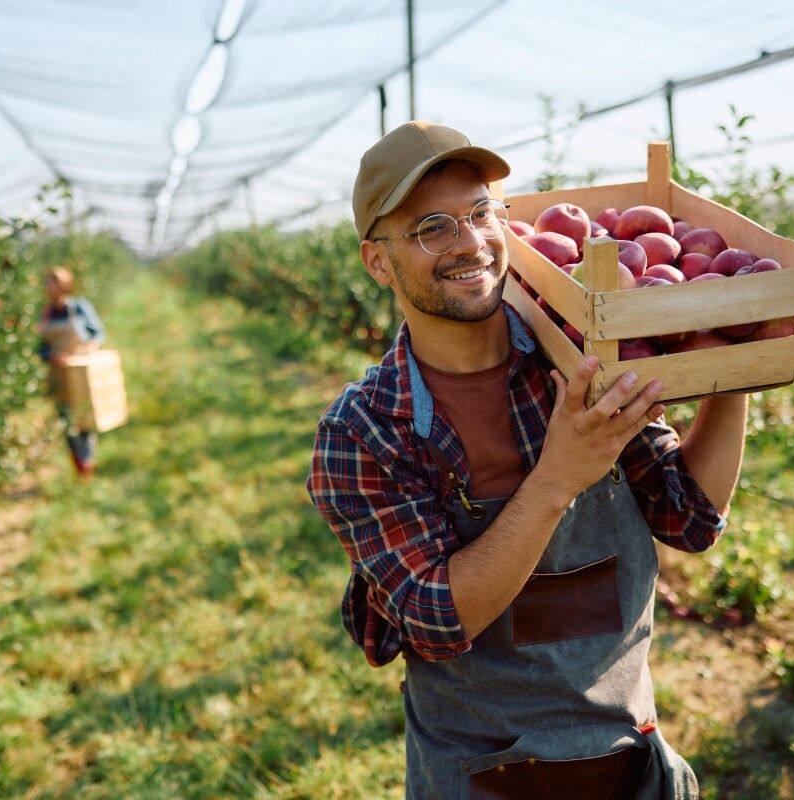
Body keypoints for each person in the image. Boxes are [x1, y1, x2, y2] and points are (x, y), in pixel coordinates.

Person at [306, 121, 748, 799]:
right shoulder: (364, 430)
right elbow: (436, 617)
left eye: (482, 214)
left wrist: (736, 353)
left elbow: (689, 516)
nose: (471, 243)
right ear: (377, 260)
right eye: (432, 228)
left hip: (630, 757)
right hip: (484, 776)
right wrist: (559, 478)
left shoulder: (575, 358)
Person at [37, 265, 105, 480]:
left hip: (80, 372)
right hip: (58, 374)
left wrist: (87, 350)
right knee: (66, 420)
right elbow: (39, 346)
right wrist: (51, 355)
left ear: (63, 286)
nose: (47, 286)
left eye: (51, 282)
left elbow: (98, 334)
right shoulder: (46, 313)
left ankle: (86, 463)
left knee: (85, 419)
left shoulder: (79, 307)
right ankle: (79, 463)